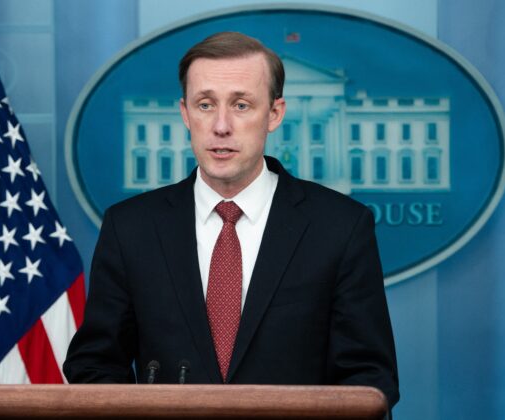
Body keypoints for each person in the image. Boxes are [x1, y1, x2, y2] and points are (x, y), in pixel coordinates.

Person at [64, 31, 399, 408]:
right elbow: (94, 365)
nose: (221, 126)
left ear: (274, 114)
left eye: (241, 105)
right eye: (206, 105)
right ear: (185, 113)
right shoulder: (130, 228)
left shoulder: (340, 227)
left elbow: (370, 380)